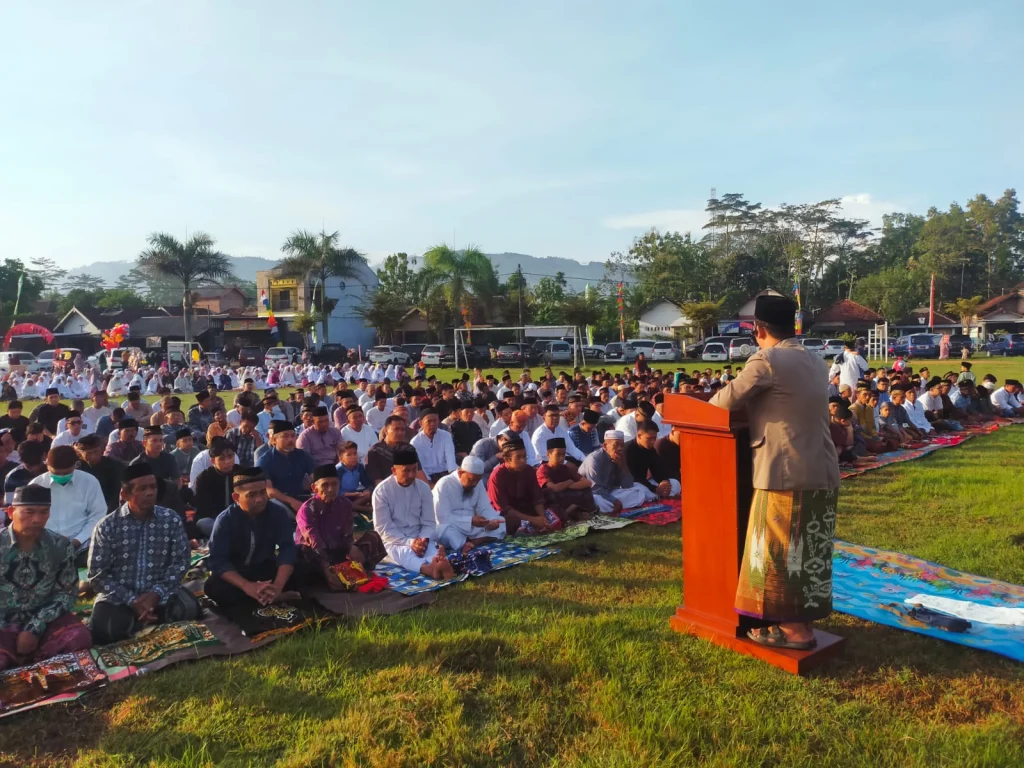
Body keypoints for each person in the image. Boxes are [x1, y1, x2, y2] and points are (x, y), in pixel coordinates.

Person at [708, 294, 840, 651]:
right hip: (821, 467)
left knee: (782, 551)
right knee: (810, 547)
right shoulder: (814, 359)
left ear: (758, 329)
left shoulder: (766, 359)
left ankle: (795, 632)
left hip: (786, 471)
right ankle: (801, 623)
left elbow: (722, 403)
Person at [86, 463, 197, 645]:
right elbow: (97, 576)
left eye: (153, 487)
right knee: (103, 628)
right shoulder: (107, 526)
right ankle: (147, 616)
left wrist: (155, 594)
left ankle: (141, 619)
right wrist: (133, 601)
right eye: (142, 488)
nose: (149, 493)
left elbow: (180, 562)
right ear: (125, 494)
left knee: (190, 608)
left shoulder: (170, 519)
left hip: (161, 593)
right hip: (120, 598)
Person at [0, 486, 92, 670]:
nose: (37, 520)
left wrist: (35, 627)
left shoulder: (60, 546)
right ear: (11, 512)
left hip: (44, 620)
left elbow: (66, 593)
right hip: (3, 623)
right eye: (29, 512)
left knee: (79, 638)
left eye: (44, 513)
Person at [204, 467, 304, 608]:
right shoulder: (225, 520)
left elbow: (287, 548)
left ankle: (269, 595)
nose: (260, 499)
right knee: (213, 587)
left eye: (263, 492)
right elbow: (218, 562)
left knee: (301, 568)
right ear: (236, 497)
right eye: (252, 495)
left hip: (264, 568)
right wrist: (247, 586)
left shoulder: (277, 513)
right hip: (237, 573)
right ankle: (269, 598)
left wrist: (277, 586)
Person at [294, 465, 387, 590]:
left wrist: (352, 549)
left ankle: (351, 573)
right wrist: (327, 569)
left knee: (373, 537)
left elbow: (347, 536)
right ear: (314, 488)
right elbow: (315, 543)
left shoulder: (345, 504)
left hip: (337, 554)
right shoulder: (307, 509)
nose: (331, 489)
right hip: (315, 556)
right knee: (301, 554)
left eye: (334, 484)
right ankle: (333, 577)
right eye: (325, 485)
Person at [372, 446, 454, 580]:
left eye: (414, 470)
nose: (411, 475)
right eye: (406, 471)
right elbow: (384, 529)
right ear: (394, 470)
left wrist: (423, 540)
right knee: (404, 552)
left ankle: (438, 562)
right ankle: (429, 569)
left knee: (430, 550)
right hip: (393, 539)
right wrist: (410, 543)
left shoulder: (423, 488)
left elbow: (429, 522)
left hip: (420, 536)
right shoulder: (381, 491)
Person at [29, 446, 107, 566]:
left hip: (83, 546)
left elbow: (97, 516)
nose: (61, 476)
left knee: (85, 581)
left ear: (75, 465)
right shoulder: (36, 486)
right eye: (56, 473)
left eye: (66, 473)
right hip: (44, 546)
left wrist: (77, 541)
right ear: (47, 466)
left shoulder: (89, 482)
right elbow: (30, 519)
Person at [431, 456, 506, 553]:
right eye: (471, 480)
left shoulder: (477, 483)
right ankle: (467, 543)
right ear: (461, 472)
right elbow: (442, 518)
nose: (475, 484)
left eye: (477, 480)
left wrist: (490, 522)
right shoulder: (444, 484)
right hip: (452, 527)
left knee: (501, 523)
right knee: (445, 531)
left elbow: (484, 508)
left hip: (472, 528)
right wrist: (470, 521)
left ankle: (471, 543)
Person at [486, 438, 559, 535]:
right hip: (511, 515)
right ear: (507, 459)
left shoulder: (529, 470)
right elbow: (504, 510)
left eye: (525, 456)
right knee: (510, 522)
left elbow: (537, 499)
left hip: (527, 511)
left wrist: (542, 519)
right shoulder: (497, 476)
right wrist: (533, 520)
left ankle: (541, 526)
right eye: (518, 457)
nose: (523, 460)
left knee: (554, 507)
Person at [578, 430, 652, 513]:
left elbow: (628, 485)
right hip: (594, 494)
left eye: (622, 445)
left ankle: (614, 506)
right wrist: (614, 501)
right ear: (605, 446)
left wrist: (622, 466)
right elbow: (595, 488)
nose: (620, 449)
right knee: (597, 500)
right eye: (616, 445)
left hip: (610, 492)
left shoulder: (620, 457)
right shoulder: (594, 459)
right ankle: (612, 506)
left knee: (638, 487)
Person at [256, 420, 315, 512]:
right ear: (274, 440)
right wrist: (292, 502)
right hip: (278, 501)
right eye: (285, 436)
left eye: (293, 436)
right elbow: (269, 490)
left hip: (301, 497)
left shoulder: (303, 455)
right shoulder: (265, 460)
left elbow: (316, 478)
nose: (290, 439)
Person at [535, 438, 597, 524]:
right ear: (548, 455)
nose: (561, 458)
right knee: (552, 493)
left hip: (568, 497)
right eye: (558, 455)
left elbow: (587, 483)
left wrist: (568, 485)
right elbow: (555, 488)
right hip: (553, 503)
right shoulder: (543, 470)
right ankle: (567, 516)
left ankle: (583, 513)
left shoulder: (565, 468)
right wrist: (569, 482)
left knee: (586, 490)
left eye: (563, 454)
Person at [193, 437, 236, 537]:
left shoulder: (241, 474)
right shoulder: (203, 478)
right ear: (212, 461)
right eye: (222, 458)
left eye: (230, 456)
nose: (227, 461)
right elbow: (203, 509)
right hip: (214, 520)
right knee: (203, 523)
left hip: (238, 518)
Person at [625, 421, 680, 499]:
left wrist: (665, 482)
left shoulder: (650, 450)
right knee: (639, 490)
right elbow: (633, 477)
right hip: (634, 484)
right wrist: (655, 489)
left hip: (647, 484)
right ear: (639, 436)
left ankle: (658, 495)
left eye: (654, 438)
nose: (653, 441)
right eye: (649, 438)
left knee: (675, 483)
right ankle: (655, 496)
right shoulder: (628, 450)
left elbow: (657, 470)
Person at [74, 434, 124, 513]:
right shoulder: (76, 470)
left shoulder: (114, 466)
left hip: (109, 509)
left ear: (101, 449)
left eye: (96, 452)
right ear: (80, 454)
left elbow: (115, 494)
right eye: (89, 453)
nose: (93, 456)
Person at [409, 408, 457, 484]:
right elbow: (420, 467)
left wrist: (453, 478)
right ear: (421, 423)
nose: (433, 424)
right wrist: (429, 483)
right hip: (427, 476)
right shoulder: (415, 442)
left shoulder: (446, 435)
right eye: (429, 421)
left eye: (435, 420)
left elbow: (450, 459)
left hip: (445, 473)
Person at [4, 439, 48, 505]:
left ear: (44, 456)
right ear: (20, 460)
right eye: (29, 466)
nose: (34, 469)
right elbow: (10, 504)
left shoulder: (53, 472)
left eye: (37, 464)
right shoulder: (13, 477)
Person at [335, 441, 372, 517]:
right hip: (341, 497)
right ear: (341, 458)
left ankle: (351, 508)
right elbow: (336, 491)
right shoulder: (338, 470)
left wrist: (367, 490)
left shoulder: (359, 467)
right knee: (340, 503)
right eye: (349, 455)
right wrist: (350, 494)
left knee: (369, 495)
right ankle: (368, 509)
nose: (353, 457)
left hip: (355, 495)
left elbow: (367, 483)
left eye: (355, 453)